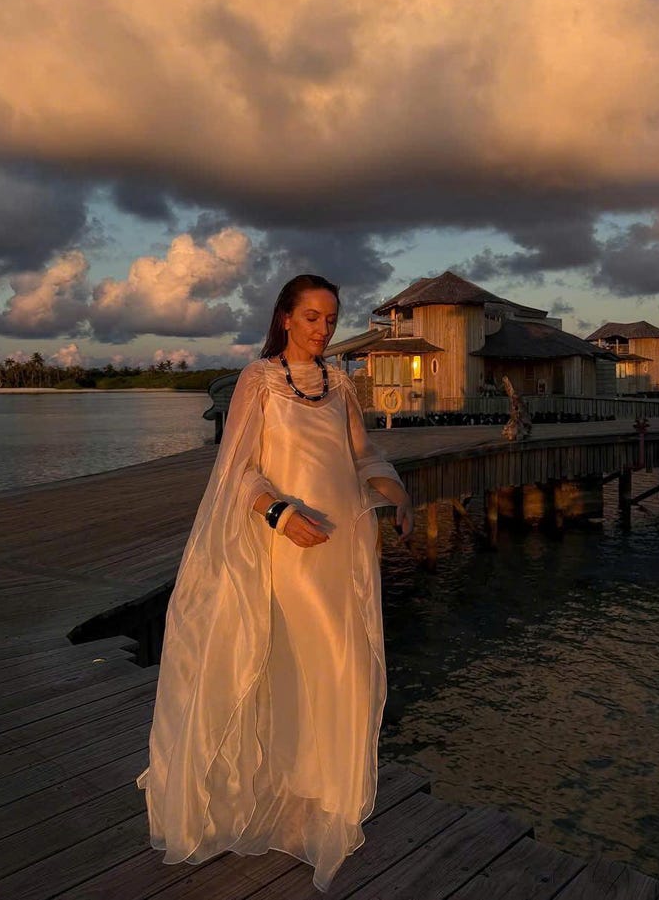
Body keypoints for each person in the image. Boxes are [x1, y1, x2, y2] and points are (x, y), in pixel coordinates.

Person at [136, 274, 414, 893]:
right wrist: (279, 515)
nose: (323, 330)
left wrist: (394, 489)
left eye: (331, 319)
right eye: (312, 317)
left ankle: (321, 802)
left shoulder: (341, 383)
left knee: (341, 670)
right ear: (286, 318)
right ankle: (271, 794)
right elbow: (239, 468)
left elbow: (363, 454)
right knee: (285, 665)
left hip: (344, 550)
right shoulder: (258, 380)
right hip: (287, 548)